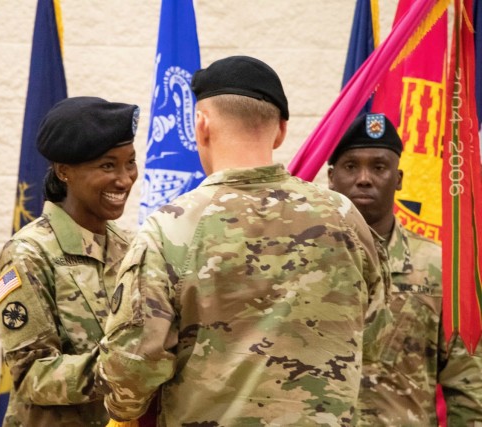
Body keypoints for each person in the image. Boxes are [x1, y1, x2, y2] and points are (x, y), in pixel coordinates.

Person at [97, 55, 388, 426]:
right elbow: (374, 339)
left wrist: (121, 408)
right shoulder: (345, 218)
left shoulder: (170, 228)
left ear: (200, 125)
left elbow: (132, 370)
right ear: (281, 130)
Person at [0, 96, 141, 427]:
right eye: (107, 165)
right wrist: (120, 369)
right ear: (64, 172)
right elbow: (32, 376)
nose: (125, 179)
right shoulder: (27, 255)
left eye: (130, 162)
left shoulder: (131, 247)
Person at [327, 112, 482, 425]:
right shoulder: (306, 261)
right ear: (331, 177)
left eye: (379, 167)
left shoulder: (440, 268)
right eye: (350, 166)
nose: (364, 178)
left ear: (398, 179)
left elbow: (467, 384)